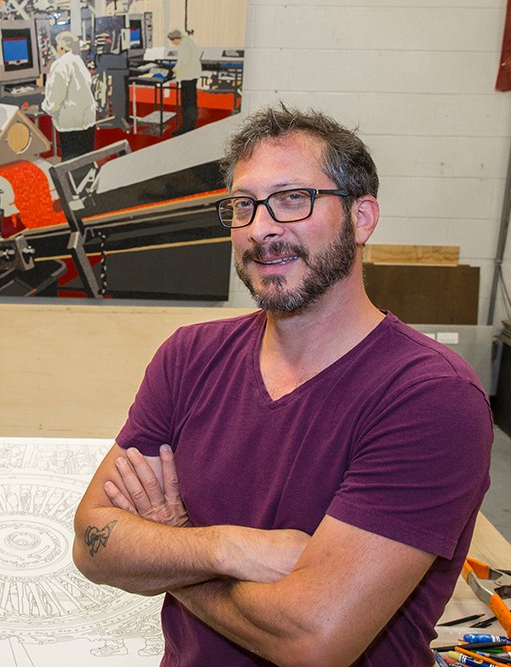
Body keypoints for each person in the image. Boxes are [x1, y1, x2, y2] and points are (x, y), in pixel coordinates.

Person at [73, 104, 493, 666]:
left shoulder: (430, 397)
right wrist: (227, 546)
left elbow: (311, 641)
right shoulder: (189, 358)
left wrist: (170, 550)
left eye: (293, 199)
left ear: (362, 218)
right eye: (242, 206)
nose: (261, 228)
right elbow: (92, 543)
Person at [41, 31, 97, 160]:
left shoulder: (60, 65)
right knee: (86, 159)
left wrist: (45, 106)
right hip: (87, 118)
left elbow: (54, 101)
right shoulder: (78, 61)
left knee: (71, 163)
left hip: (70, 123)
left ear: (61, 47)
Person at [167, 29, 201, 136]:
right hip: (192, 76)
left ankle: (186, 127)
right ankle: (191, 125)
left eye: (173, 41)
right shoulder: (188, 42)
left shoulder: (183, 45)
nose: (173, 44)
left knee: (186, 103)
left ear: (176, 39)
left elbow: (183, 62)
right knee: (192, 101)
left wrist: (172, 70)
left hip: (187, 77)